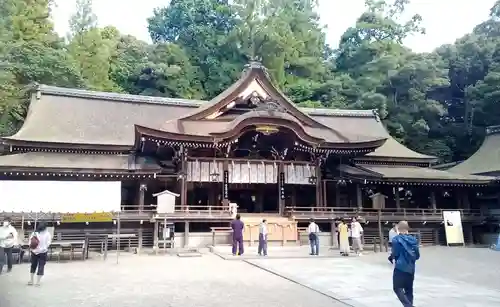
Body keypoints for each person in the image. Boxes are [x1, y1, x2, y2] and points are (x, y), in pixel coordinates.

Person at [390, 221, 420, 307]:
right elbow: (417, 255)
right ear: (407, 229)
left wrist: (392, 257)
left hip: (400, 267)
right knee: (409, 290)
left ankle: (408, 305)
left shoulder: (396, 239)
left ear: (398, 229)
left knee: (397, 288)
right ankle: (409, 304)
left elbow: (395, 253)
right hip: (411, 268)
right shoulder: (414, 240)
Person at [28, 222, 52, 286]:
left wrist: (33, 249)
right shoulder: (47, 234)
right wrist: (44, 248)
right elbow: (48, 243)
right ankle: (38, 282)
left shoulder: (34, 233)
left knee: (33, 265)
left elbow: (29, 242)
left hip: (34, 252)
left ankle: (31, 280)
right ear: (45, 227)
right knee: (41, 266)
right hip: (43, 252)